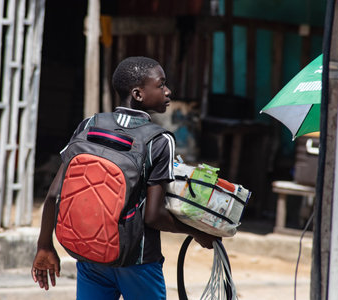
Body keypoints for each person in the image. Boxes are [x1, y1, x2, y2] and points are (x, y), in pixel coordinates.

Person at [31, 56, 217, 299]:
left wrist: (45, 245)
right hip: (137, 261)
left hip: (91, 254)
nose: (168, 92)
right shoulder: (160, 140)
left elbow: (55, 194)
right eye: (161, 85)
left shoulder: (90, 124)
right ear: (138, 94)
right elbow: (153, 216)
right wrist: (197, 232)